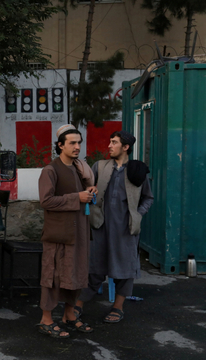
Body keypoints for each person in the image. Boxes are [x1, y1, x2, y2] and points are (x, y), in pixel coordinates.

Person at [75, 131, 154, 324]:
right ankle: (77, 305)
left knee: (125, 269)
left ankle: (117, 308)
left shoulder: (137, 169)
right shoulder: (100, 166)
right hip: (99, 226)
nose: (109, 146)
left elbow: (148, 198)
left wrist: (138, 214)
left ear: (126, 147)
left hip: (125, 229)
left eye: (114, 143)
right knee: (93, 267)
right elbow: (86, 188)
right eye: (110, 142)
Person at [36, 124, 96, 339]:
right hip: (59, 233)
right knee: (53, 275)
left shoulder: (79, 169)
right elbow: (46, 201)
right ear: (60, 145)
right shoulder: (50, 170)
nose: (77, 147)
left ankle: (69, 315)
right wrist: (76, 198)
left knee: (76, 273)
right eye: (72, 143)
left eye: (79, 142)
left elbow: (80, 192)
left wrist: (89, 190)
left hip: (79, 231)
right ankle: (46, 319)